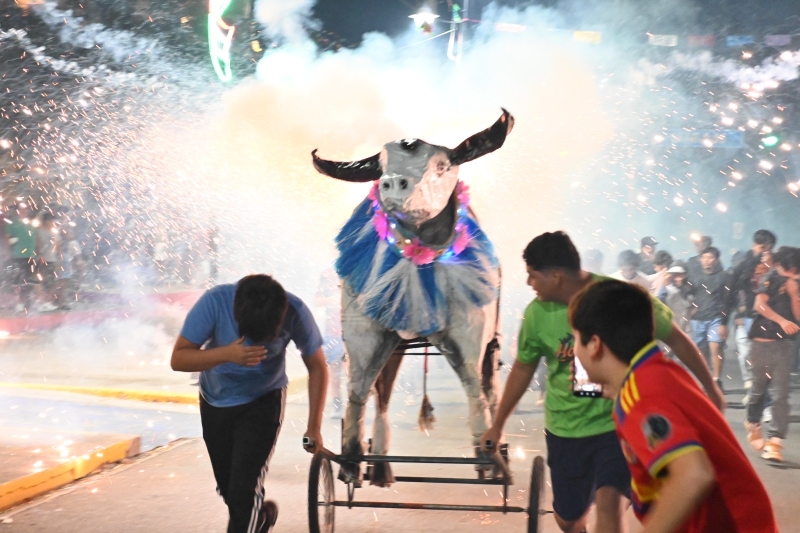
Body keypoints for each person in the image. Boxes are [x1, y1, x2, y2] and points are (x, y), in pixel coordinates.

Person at [481, 231, 723, 533]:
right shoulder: (537, 314)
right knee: (569, 519)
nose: (529, 284)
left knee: (609, 503)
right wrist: (498, 423)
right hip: (565, 429)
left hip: (613, 428)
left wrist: (710, 387)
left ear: (555, 275)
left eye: (532, 276)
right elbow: (522, 367)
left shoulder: (619, 300)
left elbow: (674, 335)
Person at [568, 280, 778, 533]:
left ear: (594, 345)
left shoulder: (640, 396)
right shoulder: (656, 372)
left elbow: (693, 475)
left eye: (576, 339)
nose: (573, 350)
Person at [171, 274, 328, 533]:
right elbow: (178, 359)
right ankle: (262, 516)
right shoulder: (215, 302)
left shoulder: (296, 311)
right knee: (230, 491)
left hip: (263, 401)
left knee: (244, 492)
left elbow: (317, 367)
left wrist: (314, 427)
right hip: (216, 400)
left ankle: (251, 514)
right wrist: (227, 355)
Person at [745, 247, 800, 462]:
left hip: (784, 346)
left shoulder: (797, 283)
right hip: (760, 345)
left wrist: (795, 293)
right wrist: (782, 321)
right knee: (758, 391)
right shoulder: (770, 277)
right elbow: (759, 305)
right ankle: (753, 423)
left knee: (780, 395)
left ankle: (775, 442)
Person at [730, 230, 777, 403]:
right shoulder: (745, 265)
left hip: (769, 319)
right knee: (744, 355)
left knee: (764, 359)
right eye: (762, 246)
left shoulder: (777, 266)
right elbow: (736, 289)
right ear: (754, 246)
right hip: (747, 316)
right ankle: (750, 384)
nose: (766, 250)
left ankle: (764, 398)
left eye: (769, 246)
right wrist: (739, 312)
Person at [686, 247, 732, 388]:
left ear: (716, 260)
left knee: (716, 347)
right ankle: (706, 377)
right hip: (698, 319)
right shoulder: (694, 276)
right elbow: (686, 291)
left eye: (710, 258)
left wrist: (724, 323)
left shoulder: (724, 277)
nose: (706, 261)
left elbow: (728, 300)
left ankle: (717, 379)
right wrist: (690, 305)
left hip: (716, 317)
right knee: (701, 352)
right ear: (700, 259)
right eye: (704, 258)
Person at [315, 265, 347, 418]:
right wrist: (333, 299)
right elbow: (317, 300)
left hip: (353, 329)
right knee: (334, 369)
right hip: (333, 330)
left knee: (351, 369)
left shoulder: (355, 268)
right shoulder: (327, 273)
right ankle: (337, 403)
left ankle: (356, 402)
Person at [4, 202, 39, 313]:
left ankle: (27, 303)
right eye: (21, 209)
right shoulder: (12, 223)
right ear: (17, 210)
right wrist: (9, 251)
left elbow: (34, 237)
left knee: (28, 281)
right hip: (18, 255)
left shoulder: (30, 223)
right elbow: (7, 238)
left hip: (30, 255)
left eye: (26, 209)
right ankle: (18, 302)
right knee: (19, 280)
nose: (24, 211)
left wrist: (37, 251)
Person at [658, 263, 693, 335]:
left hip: (686, 328)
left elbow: (691, 305)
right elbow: (659, 302)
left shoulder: (689, 288)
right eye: (674, 276)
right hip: (671, 327)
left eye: (679, 275)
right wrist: (664, 286)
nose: (677, 278)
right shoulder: (666, 290)